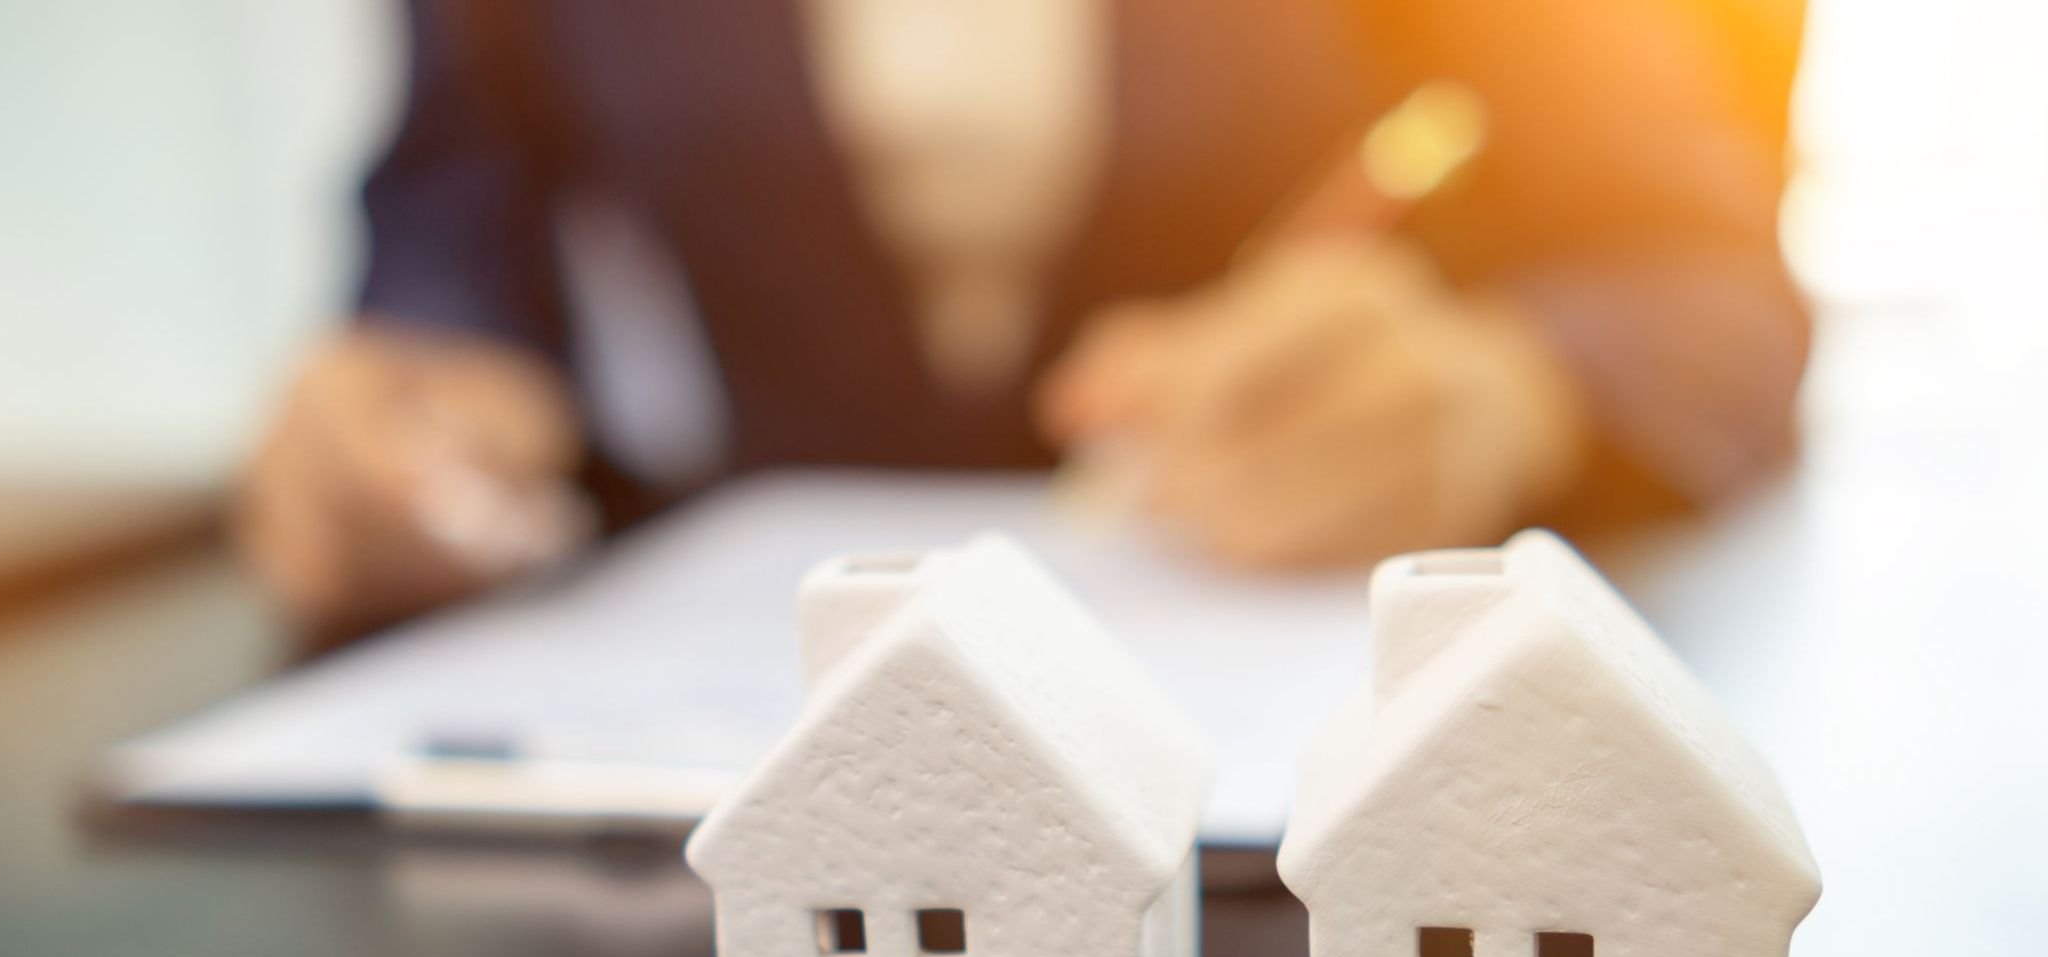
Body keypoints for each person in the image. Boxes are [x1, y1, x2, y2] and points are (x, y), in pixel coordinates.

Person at [239, 0, 1810, 642]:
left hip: (1282, 670)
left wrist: (1507, 388)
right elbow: (456, 186)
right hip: (741, 691)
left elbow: (1699, 259)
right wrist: (427, 387)